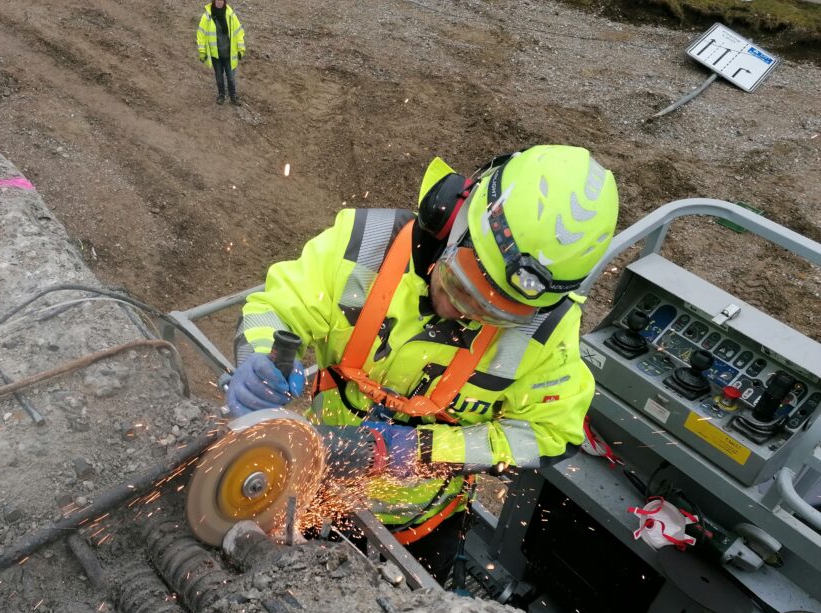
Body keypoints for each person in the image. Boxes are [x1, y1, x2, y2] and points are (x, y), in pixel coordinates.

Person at [227, 145, 618, 582]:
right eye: (456, 283)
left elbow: (549, 433)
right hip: (311, 490)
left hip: (421, 526)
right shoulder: (364, 243)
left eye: (491, 314)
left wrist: (415, 451)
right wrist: (258, 356)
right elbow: (276, 309)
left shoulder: (547, 334)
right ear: (453, 219)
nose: (456, 310)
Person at [196, 0, 246, 105]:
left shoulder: (231, 14)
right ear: (214, 1)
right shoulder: (207, 16)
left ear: (224, 2)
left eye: (221, 0)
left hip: (229, 54)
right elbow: (201, 35)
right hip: (216, 55)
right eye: (217, 0)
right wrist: (202, 52)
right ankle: (221, 95)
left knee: (231, 77)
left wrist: (241, 49)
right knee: (219, 76)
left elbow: (239, 32)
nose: (219, 2)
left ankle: (233, 96)